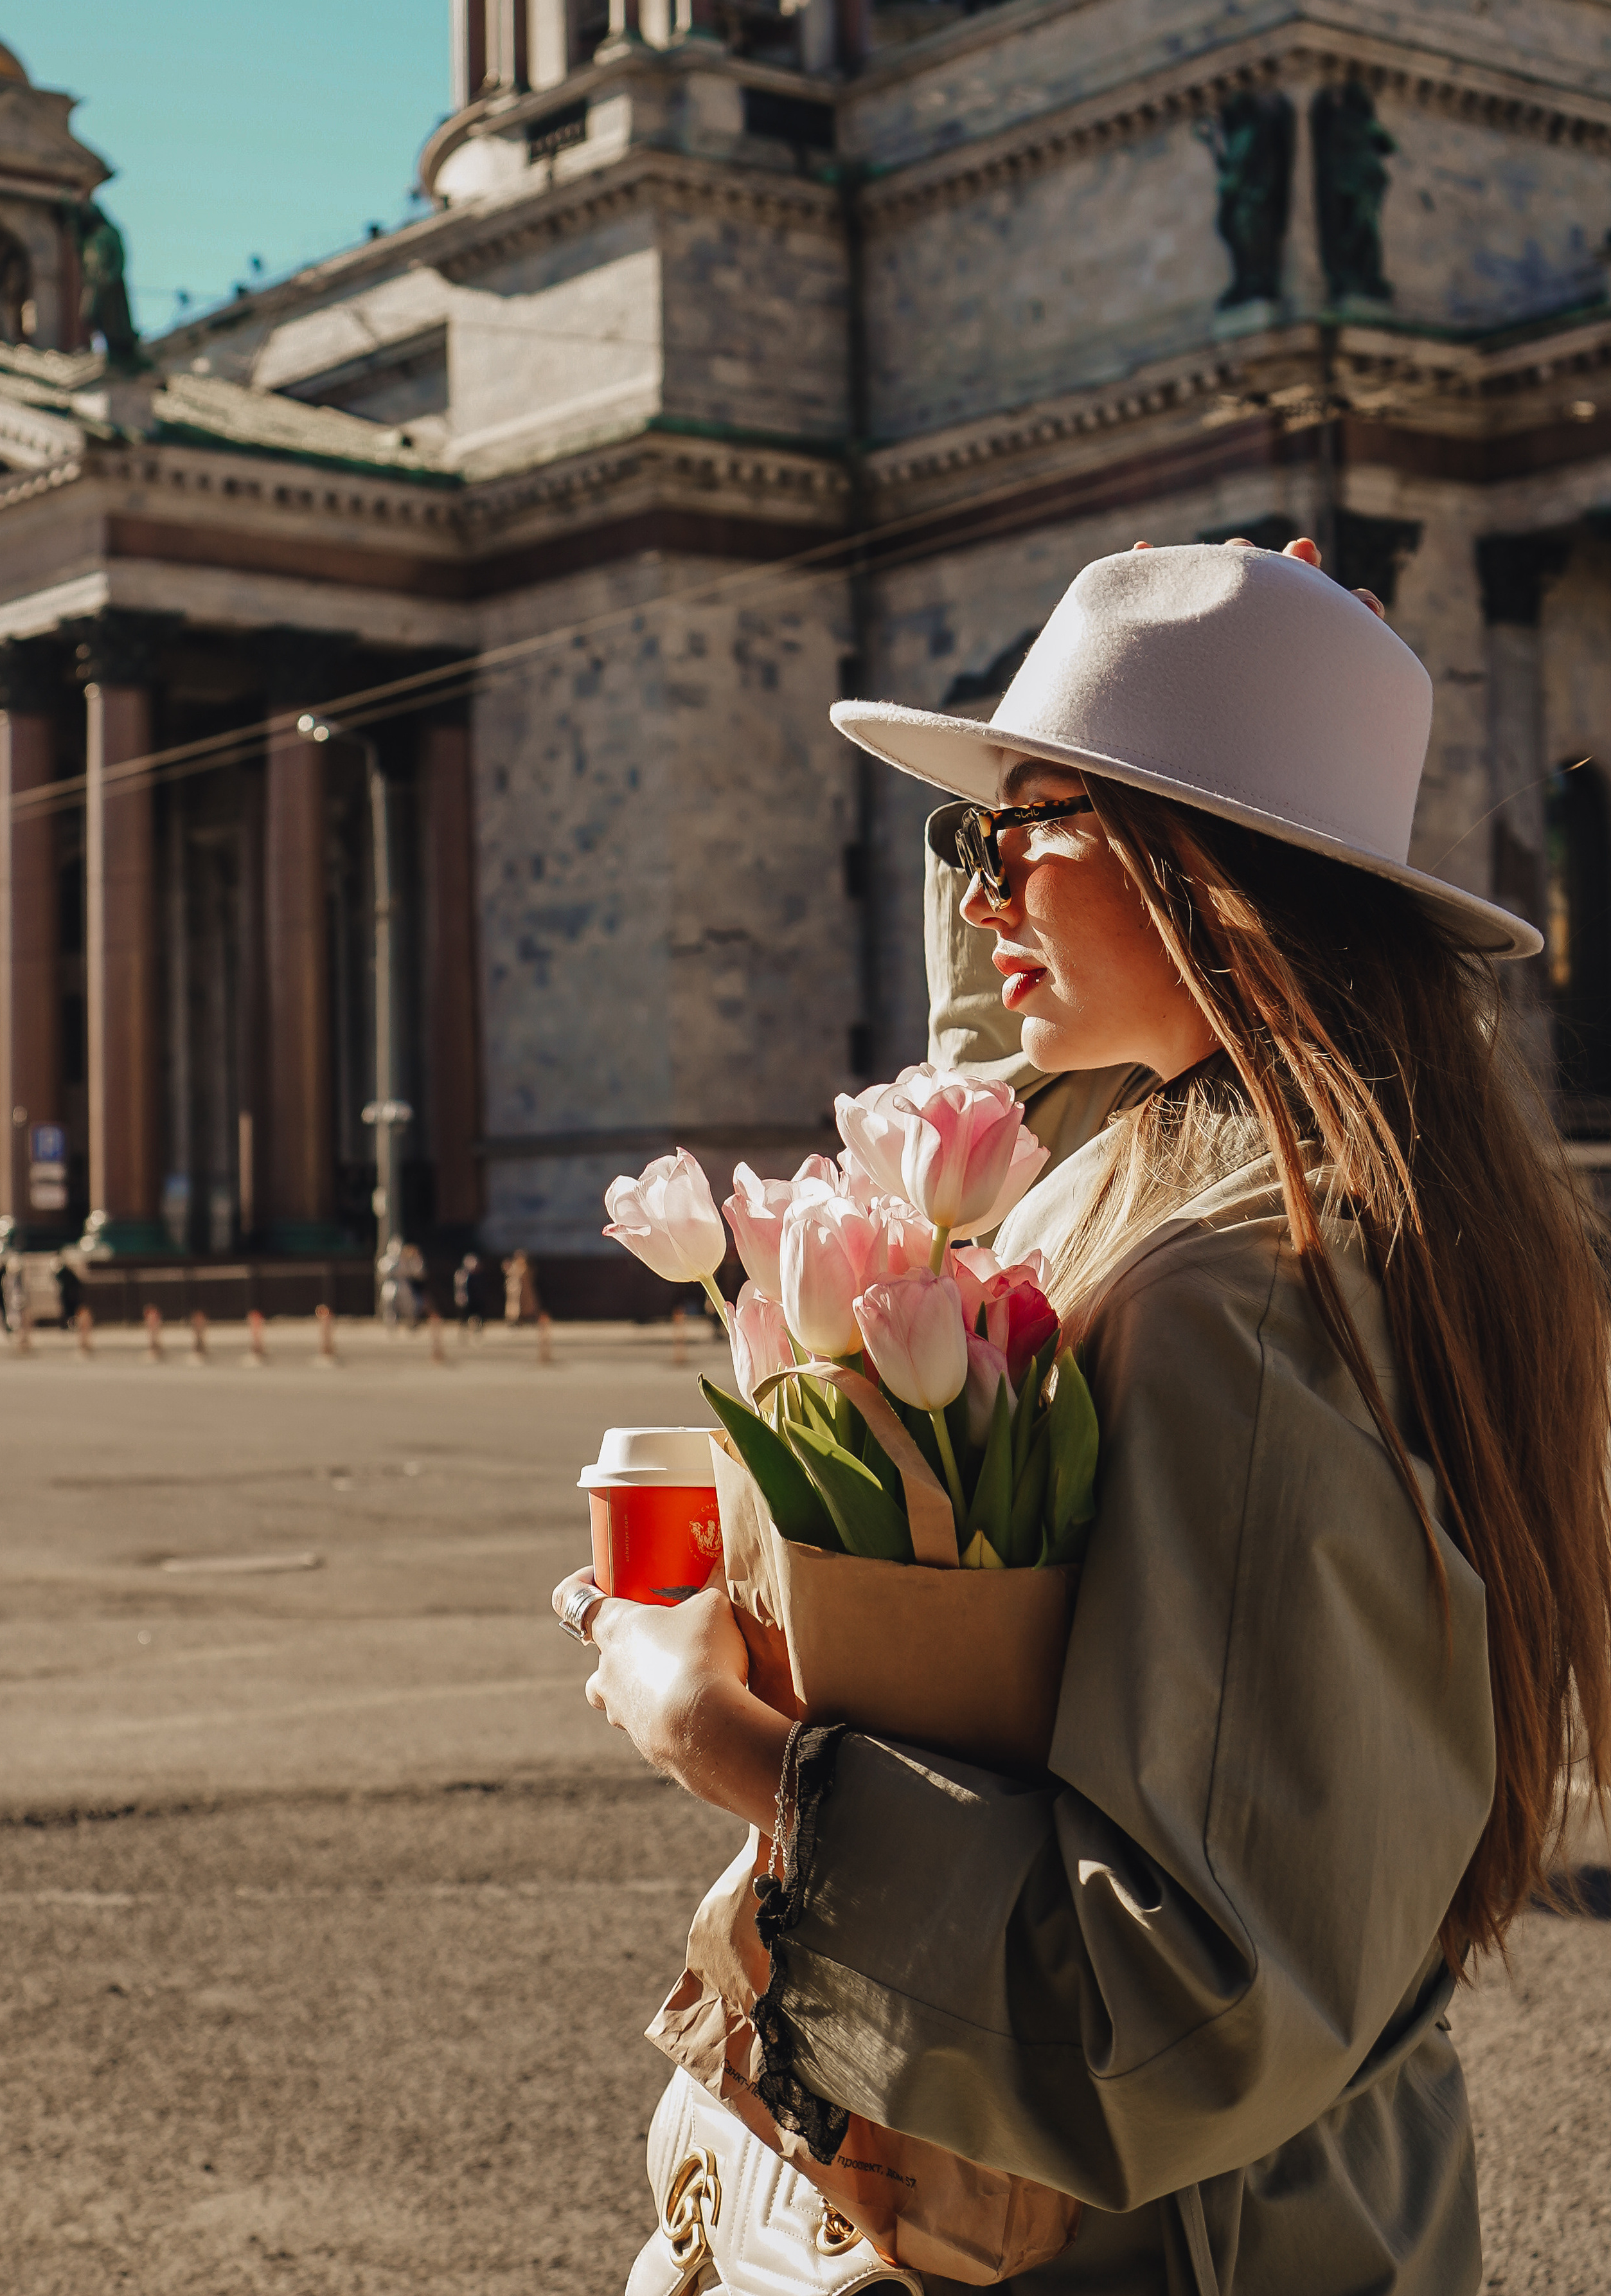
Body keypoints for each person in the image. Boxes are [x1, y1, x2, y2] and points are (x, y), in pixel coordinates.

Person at [554, 538, 1611, 2292]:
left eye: (1028, 828)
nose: (980, 898)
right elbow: (983, 1098)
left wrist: (714, 1733)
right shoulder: (1272, 1187)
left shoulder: (1232, 1301)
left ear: (1221, 872)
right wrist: (1209, 717)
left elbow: (1182, 2002)